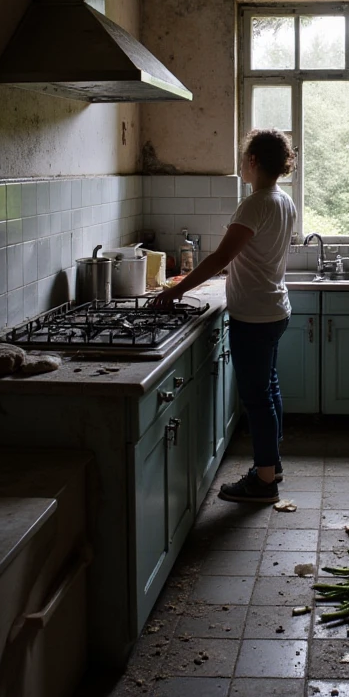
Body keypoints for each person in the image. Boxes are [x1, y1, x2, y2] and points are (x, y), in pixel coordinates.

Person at [150, 129, 296, 504]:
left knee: (257, 396)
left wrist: (175, 291)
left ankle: (265, 481)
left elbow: (219, 259)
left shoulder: (255, 204)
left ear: (252, 162)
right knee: (269, 388)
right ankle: (271, 465)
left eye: (243, 157)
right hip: (274, 309)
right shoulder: (283, 200)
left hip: (255, 314)